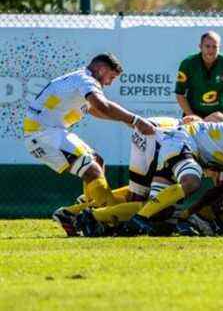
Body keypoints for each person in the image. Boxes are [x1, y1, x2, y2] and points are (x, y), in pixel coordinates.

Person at [22, 53, 156, 236]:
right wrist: (135, 120)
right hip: (43, 133)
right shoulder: (86, 80)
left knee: (97, 162)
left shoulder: (79, 78)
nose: (109, 83)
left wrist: (125, 120)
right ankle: (104, 218)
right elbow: (102, 106)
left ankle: (73, 214)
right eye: (111, 77)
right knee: (91, 169)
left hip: (50, 131)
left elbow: (94, 109)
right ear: (101, 70)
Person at [175, 31, 223, 119]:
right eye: (207, 46)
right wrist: (191, 116)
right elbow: (180, 94)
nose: (211, 50)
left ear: (219, 47)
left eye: (215, 47)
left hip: (219, 113)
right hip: (193, 112)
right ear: (200, 47)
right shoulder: (188, 63)